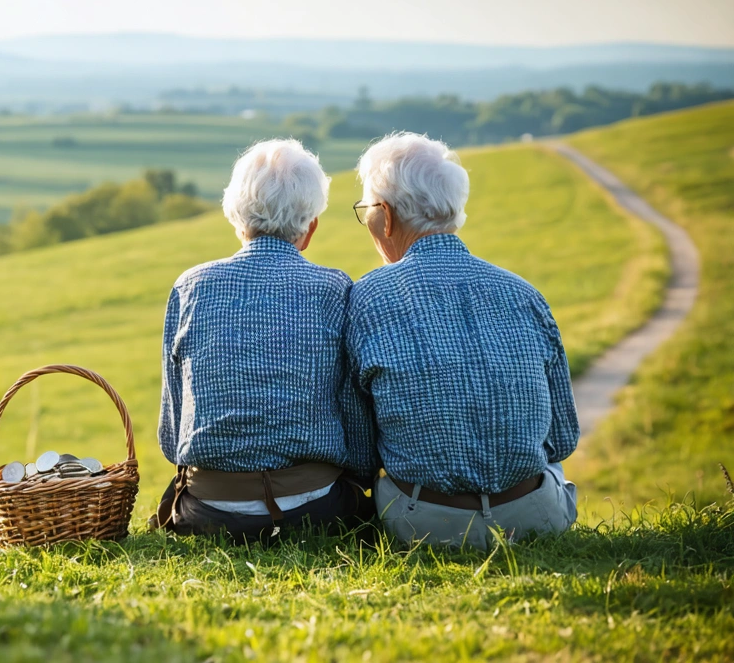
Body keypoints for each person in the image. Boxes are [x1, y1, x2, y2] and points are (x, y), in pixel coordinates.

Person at [345, 132, 579, 549]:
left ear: (387, 215)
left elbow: (362, 456)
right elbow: (562, 439)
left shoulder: (368, 297)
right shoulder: (524, 293)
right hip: (535, 518)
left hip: (423, 525)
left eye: (367, 211)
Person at [152, 138, 376, 543]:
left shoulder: (190, 286)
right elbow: (357, 433)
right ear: (310, 228)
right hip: (316, 509)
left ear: (236, 218)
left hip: (208, 513)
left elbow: (172, 435)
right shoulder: (334, 289)